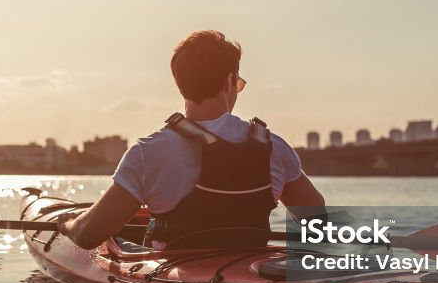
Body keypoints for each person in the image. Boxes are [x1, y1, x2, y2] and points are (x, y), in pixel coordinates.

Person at [57, 30, 325, 249]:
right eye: (239, 82)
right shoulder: (273, 147)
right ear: (230, 80)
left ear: (180, 84)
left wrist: (67, 224)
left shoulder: (148, 152)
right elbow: (317, 222)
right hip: (247, 270)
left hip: (174, 276)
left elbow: (88, 236)